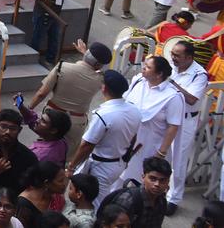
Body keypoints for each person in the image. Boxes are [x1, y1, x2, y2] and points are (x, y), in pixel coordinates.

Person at [67, 70, 141, 207]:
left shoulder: (104, 114)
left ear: (104, 88)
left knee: (95, 204)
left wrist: (71, 166)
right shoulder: (134, 110)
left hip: (102, 166)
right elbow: (134, 137)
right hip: (118, 163)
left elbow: (87, 145)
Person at [114, 56, 181, 193]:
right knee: (118, 177)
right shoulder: (139, 81)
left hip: (151, 146)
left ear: (159, 74)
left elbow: (173, 126)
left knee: (142, 183)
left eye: (149, 67)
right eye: (145, 65)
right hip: (128, 140)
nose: (143, 68)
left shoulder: (173, 97)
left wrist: (161, 152)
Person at [166, 38, 210, 213]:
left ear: (189, 57)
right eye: (172, 54)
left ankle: (174, 199)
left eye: (177, 55)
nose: (173, 58)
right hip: (167, 116)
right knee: (162, 154)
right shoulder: (171, 65)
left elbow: (191, 99)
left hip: (185, 120)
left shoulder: (200, 74)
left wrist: (171, 82)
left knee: (179, 159)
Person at [100, 156, 171, 228]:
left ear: (168, 182)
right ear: (143, 177)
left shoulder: (162, 202)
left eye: (162, 180)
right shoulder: (128, 201)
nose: (157, 184)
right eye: (152, 179)